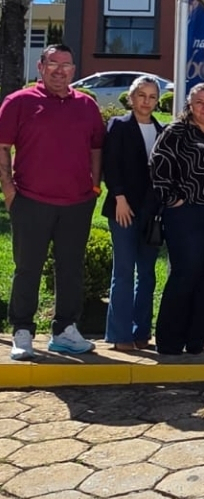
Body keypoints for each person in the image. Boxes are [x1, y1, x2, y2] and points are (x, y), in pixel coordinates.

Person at [1, 44, 105, 360]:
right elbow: (2, 146)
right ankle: (22, 331)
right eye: (53, 64)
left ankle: (64, 332)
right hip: (31, 200)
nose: (60, 70)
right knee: (27, 268)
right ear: (41, 67)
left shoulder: (87, 105)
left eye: (66, 65)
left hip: (77, 202)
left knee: (71, 269)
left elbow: (96, 148)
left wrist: (95, 186)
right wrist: (8, 189)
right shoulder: (18, 102)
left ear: (74, 70)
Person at [150, 83, 204, 355]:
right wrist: (173, 199)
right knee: (185, 273)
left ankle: (196, 341)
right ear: (189, 105)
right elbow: (158, 167)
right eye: (199, 102)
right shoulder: (176, 132)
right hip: (185, 213)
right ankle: (169, 341)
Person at [102, 75, 164, 351]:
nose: (146, 101)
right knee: (124, 272)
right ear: (131, 98)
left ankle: (141, 333)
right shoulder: (118, 125)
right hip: (122, 209)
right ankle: (120, 335)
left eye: (152, 96)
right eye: (142, 95)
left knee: (147, 275)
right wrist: (120, 199)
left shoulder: (163, 130)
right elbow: (111, 165)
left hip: (152, 214)